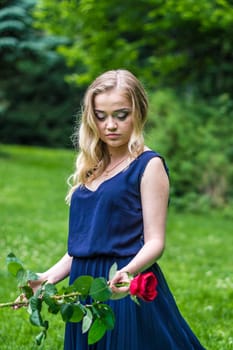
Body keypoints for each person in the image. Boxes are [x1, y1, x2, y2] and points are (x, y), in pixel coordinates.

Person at [29, 69, 205, 349]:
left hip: (122, 286)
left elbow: (155, 242)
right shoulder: (92, 168)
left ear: (139, 112)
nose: (110, 125)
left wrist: (128, 272)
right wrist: (47, 278)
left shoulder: (148, 166)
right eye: (101, 116)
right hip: (84, 287)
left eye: (121, 114)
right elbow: (85, 246)